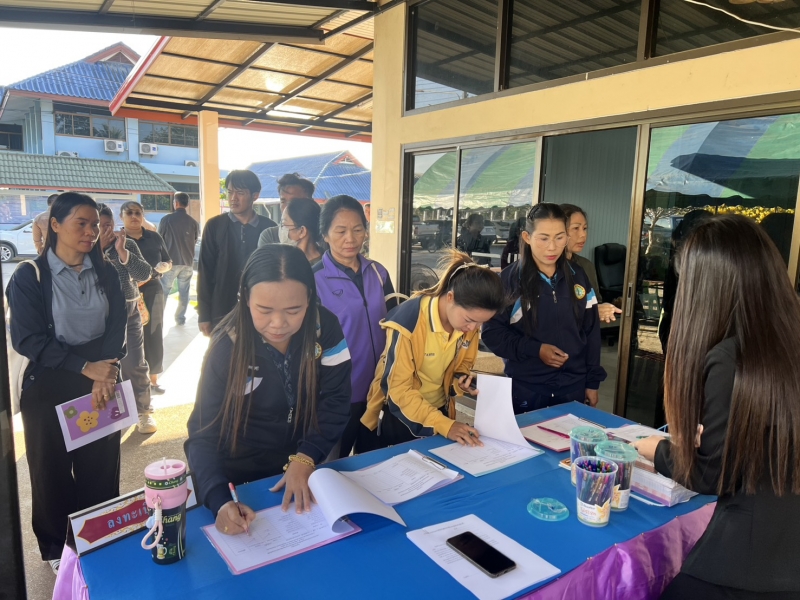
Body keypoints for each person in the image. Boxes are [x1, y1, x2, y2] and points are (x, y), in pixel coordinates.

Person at [633, 216, 800, 599]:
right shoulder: (785, 340)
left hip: (746, 560)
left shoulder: (730, 358)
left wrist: (656, 449)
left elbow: (711, 475)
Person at [185, 245, 351, 532]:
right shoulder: (227, 348)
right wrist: (219, 499)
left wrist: (307, 455)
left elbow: (336, 399)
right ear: (245, 298)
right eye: (264, 310)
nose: (278, 324)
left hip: (300, 468)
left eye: (293, 310)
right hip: (239, 480)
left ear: (310, 299)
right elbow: (202, 433)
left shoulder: (324, 329)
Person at [7, 192, 126, 574]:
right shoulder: (30, 276)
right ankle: (58, 546)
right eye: (81, 224)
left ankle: (99, 535)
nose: (91, 232)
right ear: (55, 225)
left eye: (95, 225)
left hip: (100, 377)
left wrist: (106, 369)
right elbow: (27, 338)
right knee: (51, 468)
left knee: (100, 464)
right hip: (49, 379)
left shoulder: (106, 271)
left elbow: (118, 323)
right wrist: (85, 367)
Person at [360, 251, 506, 450]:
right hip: (401, 417)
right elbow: (398, 390)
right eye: (470, 320)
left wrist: (460, 381)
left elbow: (462, 363)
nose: (473, 329)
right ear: (451, 297)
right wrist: (445, 425)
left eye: (481, 323)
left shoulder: (467, 324)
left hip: (440, 413)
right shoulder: (408, 322)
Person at [482, 203, 605, 414]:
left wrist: (592, 382)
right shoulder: (510, 280)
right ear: (527, 237)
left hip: (573, 388)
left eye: (559, 237)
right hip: (526, 389)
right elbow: (492, 334)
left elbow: (591, 331)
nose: (552, 247)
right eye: (544, 238)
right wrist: (535, 349)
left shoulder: (578, 276)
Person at [313, 195, 396, 457]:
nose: (350, 238)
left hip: (378, 390)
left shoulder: (378, 273)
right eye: (340, 231)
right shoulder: (314, 279)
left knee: (372, 462)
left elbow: (395, 325)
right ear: (325, 234)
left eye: (358, 229)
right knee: (331, 465)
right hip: (338, 395)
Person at [98, 204, 156, 433]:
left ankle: (143, 411)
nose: (105, 231)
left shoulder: (126, 243)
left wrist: (122, 252)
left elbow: (144, 273)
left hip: (129, 309)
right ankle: (114, 412)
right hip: (99, 314)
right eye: (99, 226)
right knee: (105, 367)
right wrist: (98, 250)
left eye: (108, 225)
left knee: (134, 362)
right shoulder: (84, 248)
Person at [198, 170, 275, 336]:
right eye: (230, 192)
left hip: (259, 309)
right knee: (222, 351)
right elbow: (205, 270)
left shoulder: (269, 229)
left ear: (255, 196)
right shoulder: (215, 226)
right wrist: (204, 314)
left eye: (240, 193)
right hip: (221, 309)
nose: (233, 198)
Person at [121, 201, 172, 395]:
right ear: (122, 216)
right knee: (131, 335)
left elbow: (168, 259)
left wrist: (165, 266)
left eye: (138, 213)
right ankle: (132, 381)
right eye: (129, 213)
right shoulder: (118, 240)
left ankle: (154, 379)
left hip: (153, 290)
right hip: (128, 293)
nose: (134, 216)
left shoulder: (154, 237)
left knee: (154, 333)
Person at [560, 204, 623, 324]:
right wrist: (591, 311)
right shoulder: (546, 267)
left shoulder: (585, 265)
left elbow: (595, 302)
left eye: (584, 228)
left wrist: (602, 309)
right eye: (576, 228)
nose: (583, 235)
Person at [158, 192, 200, 326]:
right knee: (184, 292)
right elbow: (194, 240)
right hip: (187, 262)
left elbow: (159, 239)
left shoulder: (166, 220)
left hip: (170, 262)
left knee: (164, 291)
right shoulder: (193, 222)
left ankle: (158, 319)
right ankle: (180, 318)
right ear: (187, 204)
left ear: (176, 203)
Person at [258, 173, 315, 246]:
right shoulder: (270, 236)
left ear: (310, 202)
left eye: (294, 202)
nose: (287, 207)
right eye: (283, 201)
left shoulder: (323, 234)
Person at [275, 197, 323, 266]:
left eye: (284, 224)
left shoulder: (324, 266)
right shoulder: (278, 260)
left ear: (302, 231)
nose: (281, 229)